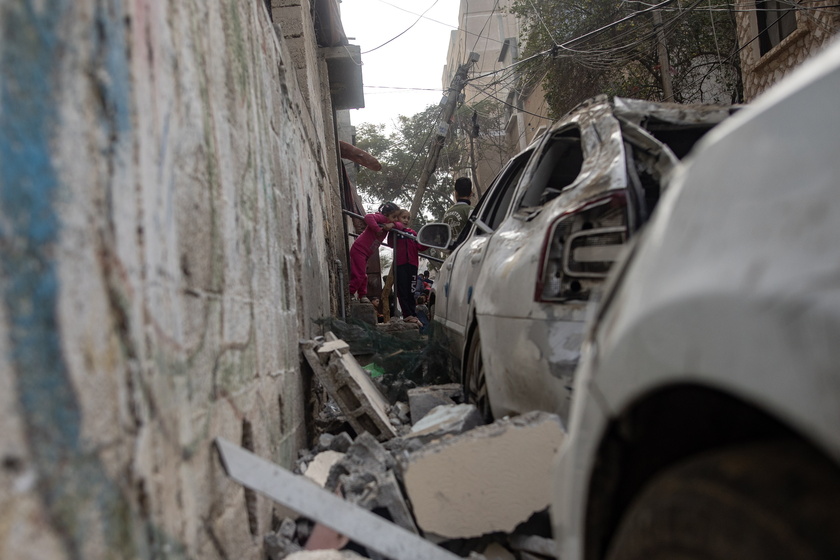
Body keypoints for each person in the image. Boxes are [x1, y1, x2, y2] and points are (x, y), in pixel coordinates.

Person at [349, 202, 404, 303]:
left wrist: (392, 224)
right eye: (394, 216)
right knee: (360, 274)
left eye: (397, 217)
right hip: (359, 249)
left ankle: (362, 295)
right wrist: (377, 228)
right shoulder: (382, 218)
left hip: (365, 253)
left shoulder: (389, 223)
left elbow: (401, 226)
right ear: (386, 214)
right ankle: (350, 292)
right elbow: (368, 217)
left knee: (363, 275)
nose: (396, 219)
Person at [393, 209, 427, 323]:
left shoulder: (413, 233)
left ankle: (412, 313)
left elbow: (420, 246)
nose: (406, 220)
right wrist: (398, 228)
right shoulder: (395, 232)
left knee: (411, 291)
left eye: (408, 218)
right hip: (400, 264)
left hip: (412, 265)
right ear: (397, 218)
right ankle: (407, 314)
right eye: (403, 217)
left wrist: (431, 242)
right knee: (402, 290)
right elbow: (389, 243)